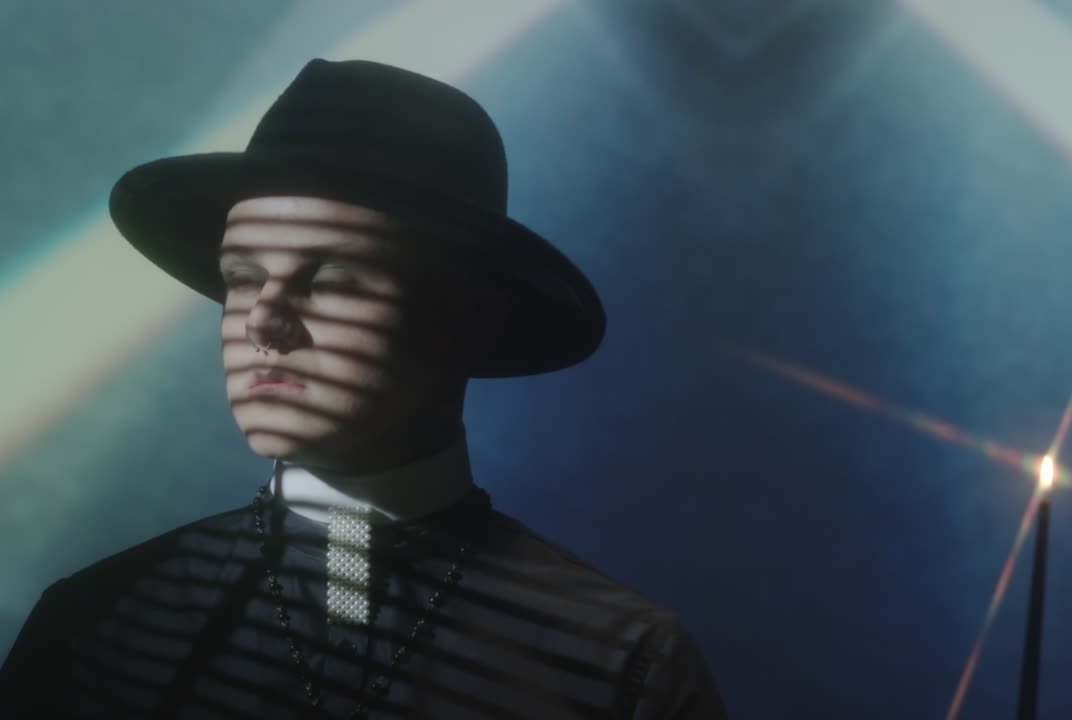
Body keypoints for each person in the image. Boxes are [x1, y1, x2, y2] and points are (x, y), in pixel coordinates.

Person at [0, 58, 726, 719]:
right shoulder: (103, 621)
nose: (265, 321)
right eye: (242, 277)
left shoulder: (618, 664)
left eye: (336, 278)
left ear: (470, 321)